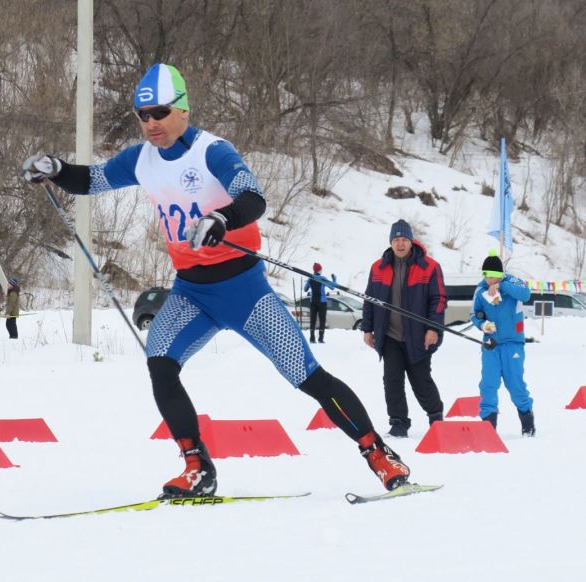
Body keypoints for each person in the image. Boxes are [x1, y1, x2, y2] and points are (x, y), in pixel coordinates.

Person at [23, 63, 411, 497]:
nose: (151, 123)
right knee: (160, 363)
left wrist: (222, 218)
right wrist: (56, 168)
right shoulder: (141, 159)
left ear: (183, 110)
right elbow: (92, 180)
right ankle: (197, 467)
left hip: (245, 291)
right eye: (143, 115)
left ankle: (379, 454)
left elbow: (253, 198)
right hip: (191, 293)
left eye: (160, 113)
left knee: (307, 377)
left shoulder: (213, 152)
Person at [361, 219, 446, 438]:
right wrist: (367, 329)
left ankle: (435, 416)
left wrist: (433, 328)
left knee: (421, 380)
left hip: (418, 335)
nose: (400, 244)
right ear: (391, 242)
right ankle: (398, 422)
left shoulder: (429, 267)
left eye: (404, 240)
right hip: (389, 335)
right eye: (396, 240)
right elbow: (370, 299)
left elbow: (438, 300)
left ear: (411, 242)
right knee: (392, 380)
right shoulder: (378, 267)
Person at [470, 250, 535, 436]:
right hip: (491, 344)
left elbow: (525, 294)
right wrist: (483, 325)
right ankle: (488, 428)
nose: (489, 280)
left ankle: (527, 422)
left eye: (494, 276)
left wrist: (501, 285)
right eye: (487, 276)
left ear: (501, 274)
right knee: (488, 384)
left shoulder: (512, 282)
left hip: (513, 344)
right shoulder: (480, 290)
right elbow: (474, 314)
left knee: (515, 384)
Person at [303, 263, 336, 343]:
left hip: (313, 302)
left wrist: (309, 282)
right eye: (321, 269)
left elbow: (305, 289)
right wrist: (334, 279)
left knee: (313, 320)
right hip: (322, 302)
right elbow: (332, 287)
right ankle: (320, 339)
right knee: (322, 320)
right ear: (319, 270)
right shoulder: (322, 278)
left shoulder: (310, 278)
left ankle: (312, 338)